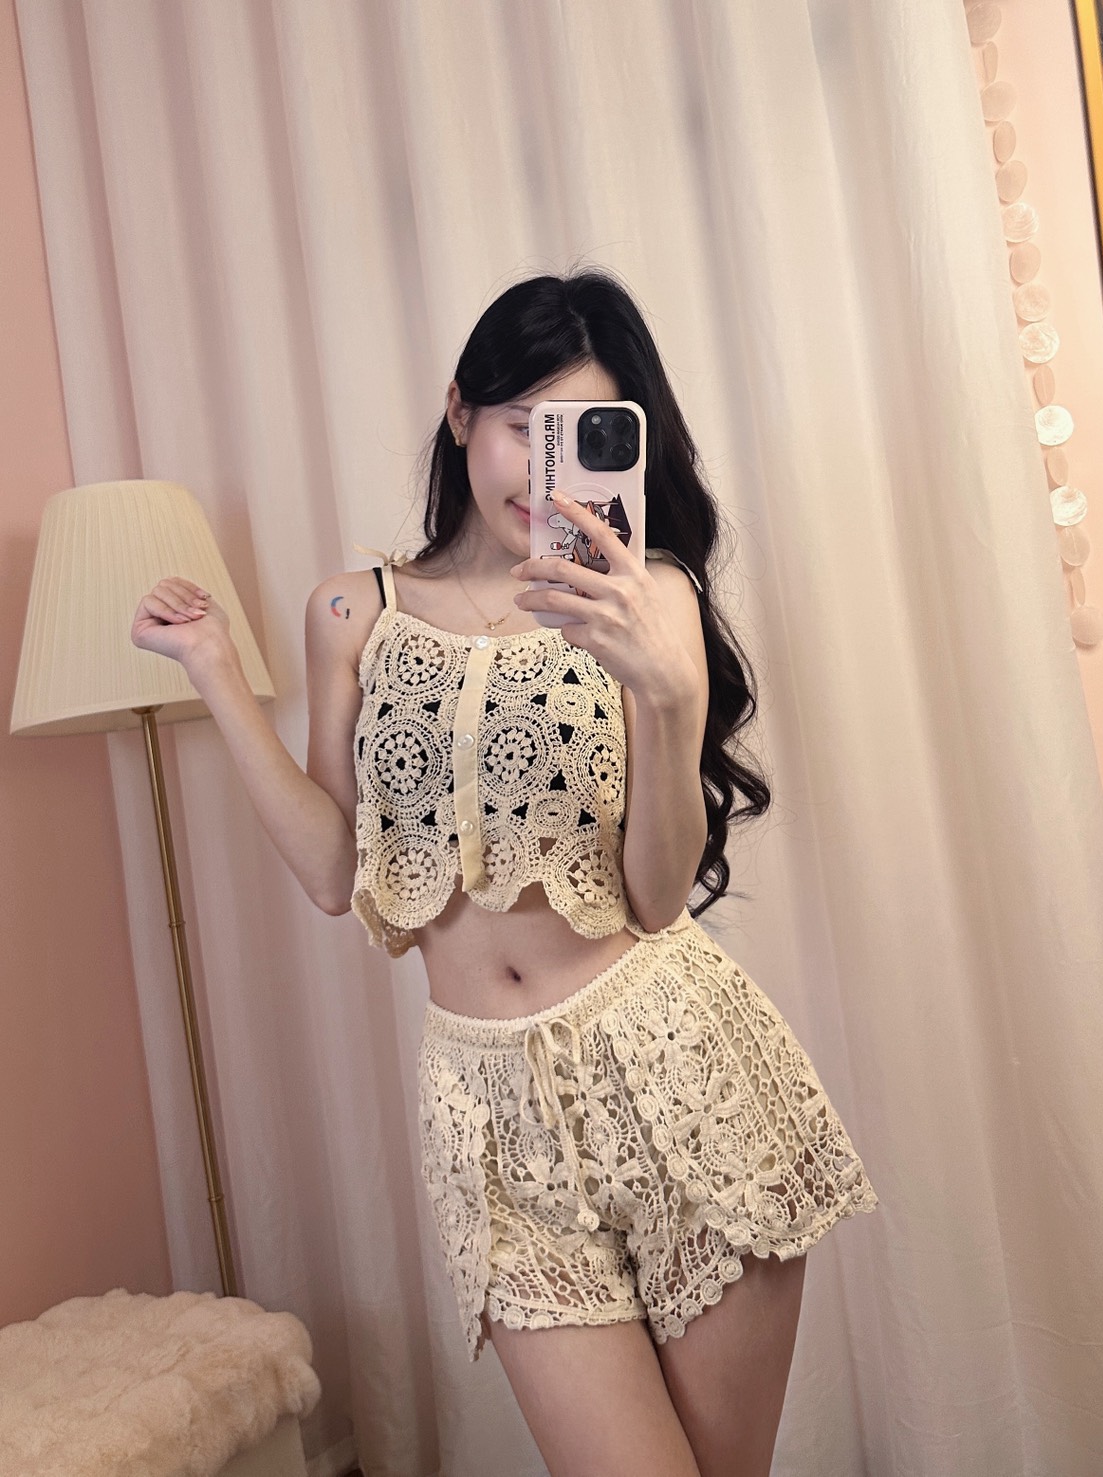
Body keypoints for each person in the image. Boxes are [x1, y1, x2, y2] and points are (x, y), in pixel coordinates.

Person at [131, 269, 879, 1477]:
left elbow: (654, 895)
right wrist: (216, 669)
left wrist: (669, 697)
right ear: (458, 411)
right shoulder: (353, 612)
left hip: (676, 1073)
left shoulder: (650, 598)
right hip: (486, 1117)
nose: (543, 472)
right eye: (522, 428)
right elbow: (330, 870)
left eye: (579, 436)